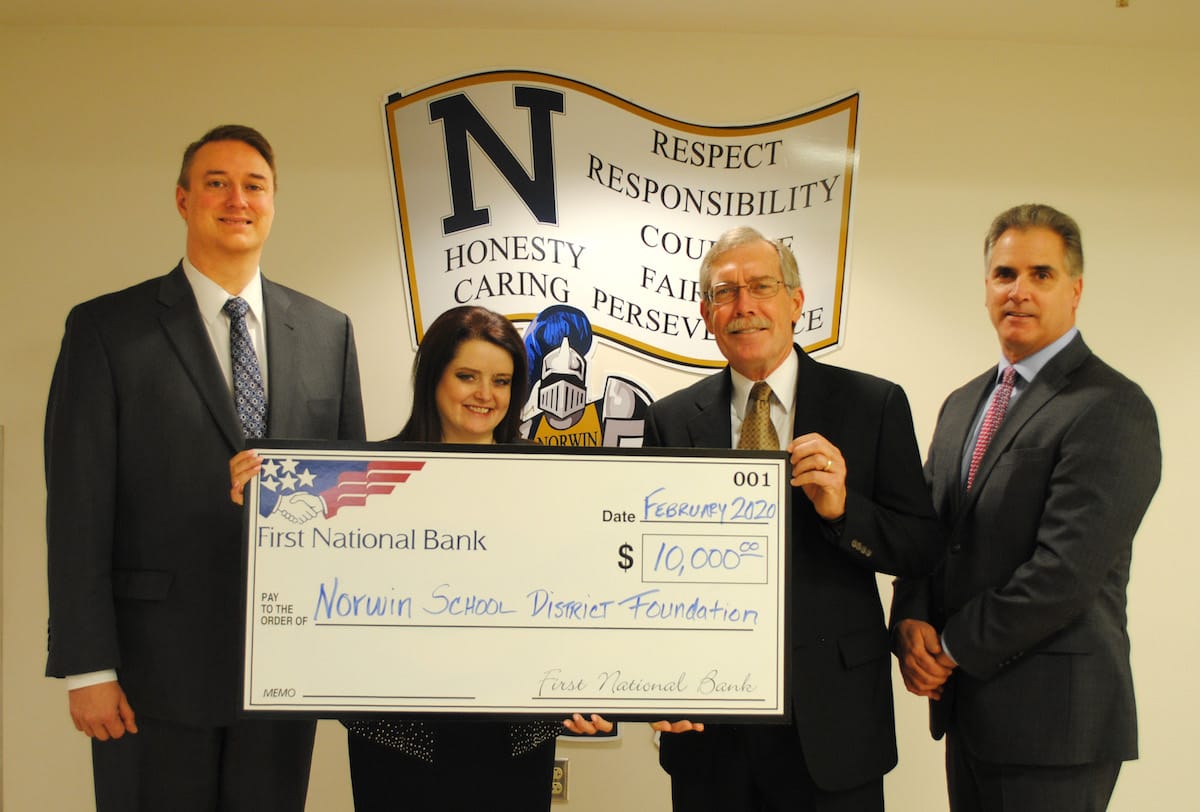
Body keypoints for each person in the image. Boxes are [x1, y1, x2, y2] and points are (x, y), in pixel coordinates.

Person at [44, 124, 367, 811]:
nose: (237, 198)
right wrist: (87, 666)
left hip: (283, 665)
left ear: (274, 202)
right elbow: (76, 506)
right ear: (183, 200)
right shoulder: (106, 330)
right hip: (150, 669)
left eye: (254, 185)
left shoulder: (327, 331)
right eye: (216, 183)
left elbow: (351, 501)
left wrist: (344, 654)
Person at [231, 304, 610, 811]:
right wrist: (260, 501)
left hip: (514, 744)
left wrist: (596, 688)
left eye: (501, 380)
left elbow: (585, 599)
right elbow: (307, 586)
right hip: (399, 743)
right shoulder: (364, 478)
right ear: (434, 376)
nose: (485, 394)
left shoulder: (554, 484)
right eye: (467, 376)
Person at [643, 226, 942, 811]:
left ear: (797, 301)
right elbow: (648, 574)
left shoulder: (873, 406)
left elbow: (920, 548)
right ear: (707, 315)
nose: (744, 306)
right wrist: (656, 683)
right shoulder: (671, 422)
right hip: (709, 728)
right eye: (726, 293)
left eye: (761, 287)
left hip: (834, 723)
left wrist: (843, 510)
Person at [890, 204, 1161, 811]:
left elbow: (1064, 572)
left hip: (1056, 727)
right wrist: (910, 623)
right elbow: (927, 531)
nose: (1020, 291)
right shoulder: (964, 404)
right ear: (987, 286)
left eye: (1041, 274)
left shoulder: (1111, 407)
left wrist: (951, 647)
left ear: (1076, 289)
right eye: (1004, 274)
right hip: (970, 715)